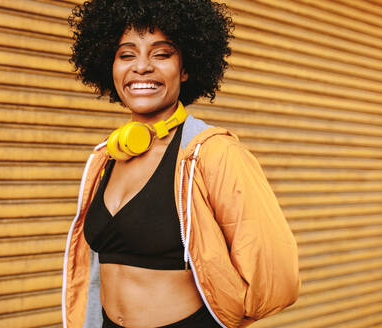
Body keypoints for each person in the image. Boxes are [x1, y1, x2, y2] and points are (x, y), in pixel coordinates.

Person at [62, 1, 300, 327]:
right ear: (110, 65)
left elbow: (276, 276)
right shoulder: (107, 157)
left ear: (185, 68)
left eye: (161, 54)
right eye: (127, 54)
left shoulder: (214, 154)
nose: (142, 67)